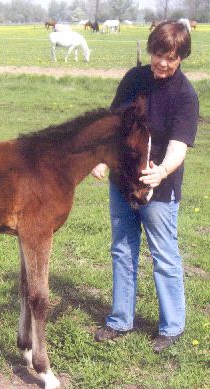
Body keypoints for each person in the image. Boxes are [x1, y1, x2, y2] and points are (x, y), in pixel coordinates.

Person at [91, 21, 199, 352]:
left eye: (170, 57)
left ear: (181, 57)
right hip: (122, 183)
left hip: (159, 189)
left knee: (164, 255)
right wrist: (99, 157)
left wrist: (162, 171)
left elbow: (178, 146)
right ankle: (120, 320)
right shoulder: (133, 80)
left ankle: (172, 326)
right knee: (122, 249)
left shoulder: (185, 97)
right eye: (157, 54)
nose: (161, 63)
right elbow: (113, 125)